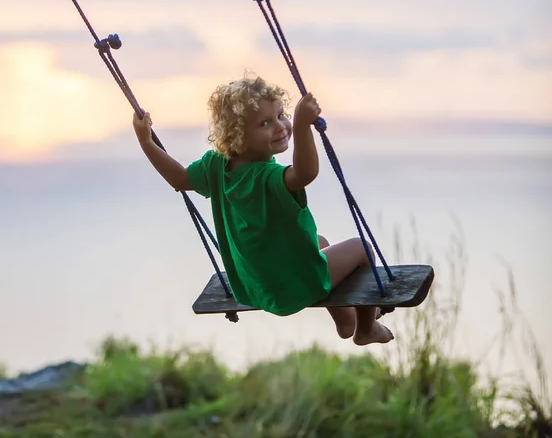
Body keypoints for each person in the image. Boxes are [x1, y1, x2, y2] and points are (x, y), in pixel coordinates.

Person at [133, 75, 393, 345]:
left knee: (320, 244)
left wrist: (146, 142)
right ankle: (366, 327)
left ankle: (344, 321)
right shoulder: (268, 178)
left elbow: (179, 178)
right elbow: (305, 173)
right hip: (291, 287)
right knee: (362, 248)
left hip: (254, 287)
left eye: (281, 115)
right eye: (265, 123)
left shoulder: (215, 167)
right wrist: (303, 126)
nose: (281, 127)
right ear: (238, 136)